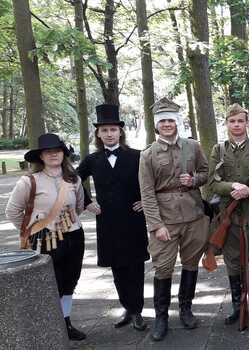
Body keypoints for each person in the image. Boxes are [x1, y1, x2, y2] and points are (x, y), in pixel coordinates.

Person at [139, 98, 209, 341]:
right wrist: (156, 225)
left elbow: (205, 172)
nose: (167, 125)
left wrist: (195, 180)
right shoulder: (148, 155)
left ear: (177, 122)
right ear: (157, 126)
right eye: (163, 121)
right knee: (163, 267)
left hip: (193, 215)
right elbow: (146, 193)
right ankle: (161, 318)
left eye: (171, 120)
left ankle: (186, 309)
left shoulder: (193, 146)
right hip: (165, 220)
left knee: (191, 263)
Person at [6, 133, 86, 341]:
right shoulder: (29, 181)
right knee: (52, 282)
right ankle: (49, 324)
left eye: (57, 151)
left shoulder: (74, 179)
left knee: (70, 281)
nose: (53, 155)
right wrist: (33, 232)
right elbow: (13, 212)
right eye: (48, 152)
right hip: (44, 240)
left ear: (63, 154)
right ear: (40, 156)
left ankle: (65, 322)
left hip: (74, 236)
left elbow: (78, 207)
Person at [77, 104, 149, 331]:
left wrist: (146, 202)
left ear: (120, 132)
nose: (109, 133)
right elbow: (74, 180)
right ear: (98, 133)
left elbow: (152, 182)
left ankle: (137, 310)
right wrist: (88, 202)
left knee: (136, 266)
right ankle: (127, 307)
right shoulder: (92, 160)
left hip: (133, 218)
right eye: (105, 130)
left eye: (113, 129)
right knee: (117, 268)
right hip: (107, 221)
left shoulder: (137, 156)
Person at [208, 103, 249, 326]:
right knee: (233, 262)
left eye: (240, 121)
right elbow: (212, 185)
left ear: (247, 123)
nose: (236, 125)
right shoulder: (218, 151)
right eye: (232, 121)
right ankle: (237, 305)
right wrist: (232, 188)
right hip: (229, 218)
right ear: (226, 124)